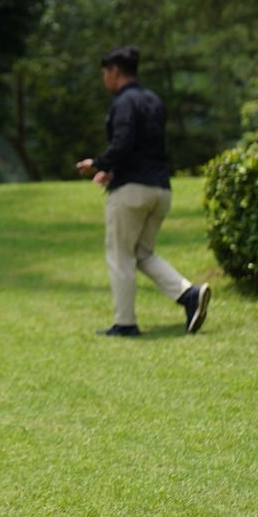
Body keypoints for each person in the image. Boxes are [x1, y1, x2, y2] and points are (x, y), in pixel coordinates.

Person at [73, 46, 209, 337]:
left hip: (131, 192)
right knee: (142, 254)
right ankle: (189, 295)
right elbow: (143, 146)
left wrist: (97, 163)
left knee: (120, 255)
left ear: (115, 72)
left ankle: (125, 323)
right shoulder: (153, 101)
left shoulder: (124, 102)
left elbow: (123, 141)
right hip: (160, 190)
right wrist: (111, 169)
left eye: (105, 74)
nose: (104, 80)